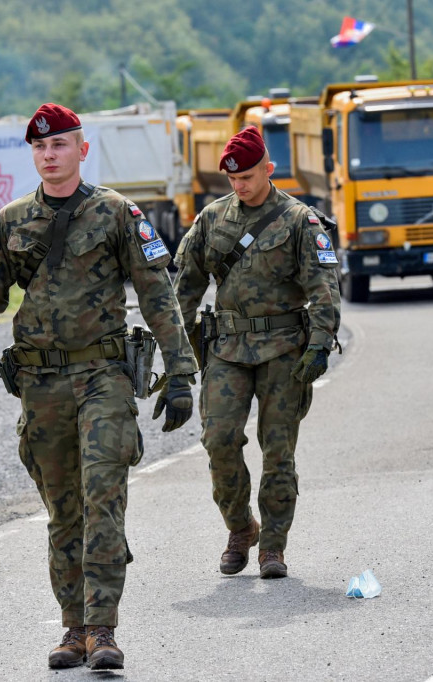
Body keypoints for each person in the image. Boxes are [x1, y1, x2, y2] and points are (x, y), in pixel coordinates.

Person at [0, 103, 197, 670]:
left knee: (102, 497)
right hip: (39, 385)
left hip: (102, 377)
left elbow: (159, 295)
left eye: (59, 145)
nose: (48, 155)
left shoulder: (116, 214)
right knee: (63, 511)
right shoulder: (12, 222)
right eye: (39, 148)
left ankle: (103, 631)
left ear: (82, 150)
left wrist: (180, 374)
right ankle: (73, 627)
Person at [172, 126, 340, 579]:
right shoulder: (212, 219)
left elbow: (324, 290)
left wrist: (321, 345)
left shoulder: (299, 220)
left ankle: (274, 547)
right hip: (227, 349)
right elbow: (183, 289)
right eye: (233, 179)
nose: (240, 186)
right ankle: (241, 527)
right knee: (219, 440)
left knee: (278, 450)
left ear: (268, 168)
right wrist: (178, 353)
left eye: (248, 176)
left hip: (285, 348)